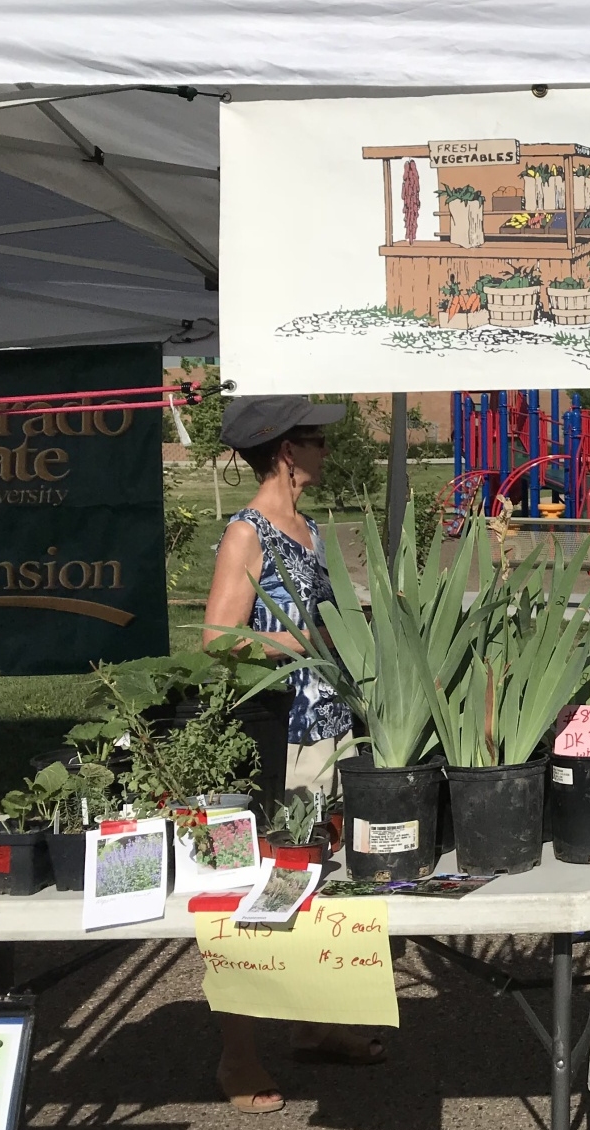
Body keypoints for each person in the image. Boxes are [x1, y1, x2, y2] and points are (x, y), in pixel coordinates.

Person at [201, 395, 381, 1113]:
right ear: (284, 451)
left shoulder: (306, 529)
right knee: (256, 891)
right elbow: (216, 639)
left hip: (329, 725)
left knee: (320, 881)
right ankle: (237, 1055)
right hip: (283, 736)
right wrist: (297, 643)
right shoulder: (247, 533)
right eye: (316, 442)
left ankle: (316, 1022)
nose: (326, 454)